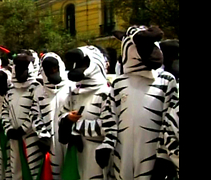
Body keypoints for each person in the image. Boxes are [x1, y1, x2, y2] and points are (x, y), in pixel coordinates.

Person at [111, 25, 179, 180]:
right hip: (123, 154)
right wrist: (108, 144)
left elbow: (169, 123)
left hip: (153, 154)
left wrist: (163, 156)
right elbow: (111, 118)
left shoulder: (167, 80)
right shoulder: (119, 83)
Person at [58, 45, 117, 179]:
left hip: (96, 151)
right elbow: (61, 115)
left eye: (84, 63)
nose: (79, 67)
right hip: (76, 152)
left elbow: (110, 127)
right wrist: (67, 119)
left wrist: (77, 127)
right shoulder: (74, 93)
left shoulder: (106, 93)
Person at [31, 52, 75, 179]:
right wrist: (42, 134)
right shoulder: (39, 91)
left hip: (69, 139)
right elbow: (34, 114)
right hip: (50, 142)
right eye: (48, 69)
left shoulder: (71, 87)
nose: (52, 71)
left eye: (55, 67)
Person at [1, 53, 42, 180]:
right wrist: (8, 129)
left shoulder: (37, 88)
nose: (20, 72)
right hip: (13, 137)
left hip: (31, 137)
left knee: (33, 168)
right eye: (18, 69)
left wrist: (23, 129)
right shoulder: (10, 91)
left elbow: (36, 111)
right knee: (15, 167)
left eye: (23, 69)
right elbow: (4, 111)